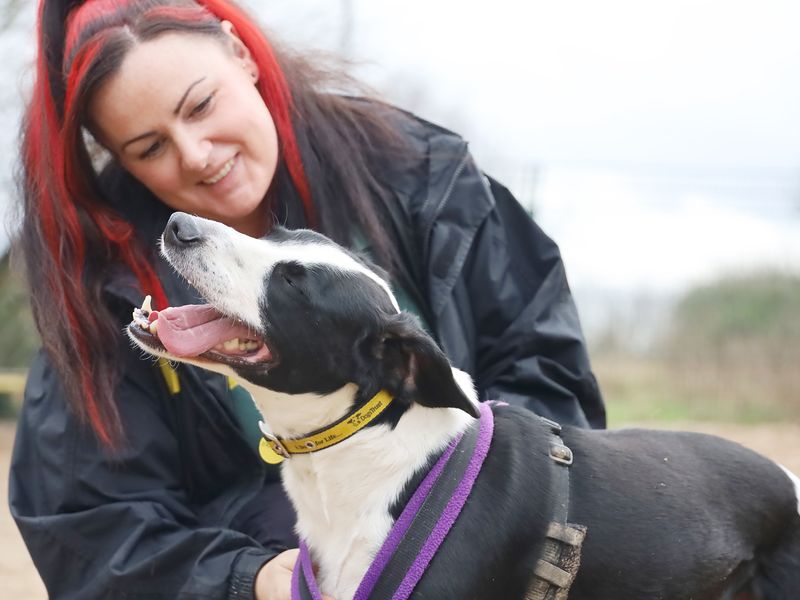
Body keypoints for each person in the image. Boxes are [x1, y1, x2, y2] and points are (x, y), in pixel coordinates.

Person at [9, 0, 606, 598]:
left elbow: (548, 382)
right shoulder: (102, 291)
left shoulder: (418, 174)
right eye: (149, 148)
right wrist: (256, 580)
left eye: (202, 105)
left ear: (240, 54)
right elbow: (92, 530)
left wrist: (464, 532)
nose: (195, 153)